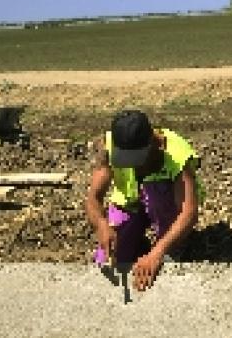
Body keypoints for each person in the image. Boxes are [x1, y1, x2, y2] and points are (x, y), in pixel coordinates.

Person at [85, 109, 202, 292]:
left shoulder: (176, 154)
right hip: (130, 203)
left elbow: (189, 213)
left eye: (136, 159)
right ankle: (136, 241)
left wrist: (158, 253)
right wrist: (101, 224)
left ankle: (170, 244)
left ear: (153, 143)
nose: (132, 165)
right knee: (107, 261)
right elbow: (93, 197)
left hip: (164, 203)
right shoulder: (109, 146)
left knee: (155, 195)